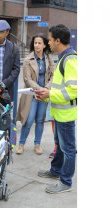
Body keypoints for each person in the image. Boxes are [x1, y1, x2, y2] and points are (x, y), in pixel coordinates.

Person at [34, 24, 77, 194]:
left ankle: (66, 182)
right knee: (59, 145)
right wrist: (48, 93)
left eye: (50, 40)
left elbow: (74, 89)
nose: (48, 43)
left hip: (66, 114)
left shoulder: (70, 59)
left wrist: (50, 94)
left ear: (58, 41)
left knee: (68, 149)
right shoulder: (63, 57)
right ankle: (55, 171)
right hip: (59, 112)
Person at [15, 34, 54, 155]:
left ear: (44, 45)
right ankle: (21, 144)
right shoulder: (28, 59)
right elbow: (27, 79)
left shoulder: (49, 59)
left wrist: (46, 88)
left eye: (39, 43)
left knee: (40, 120)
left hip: (44, 95)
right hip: (32, 94)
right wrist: (39, 89)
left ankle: (37, 144)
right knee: (29, 119)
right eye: (35, 43)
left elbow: (53, 76)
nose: (37, 45)